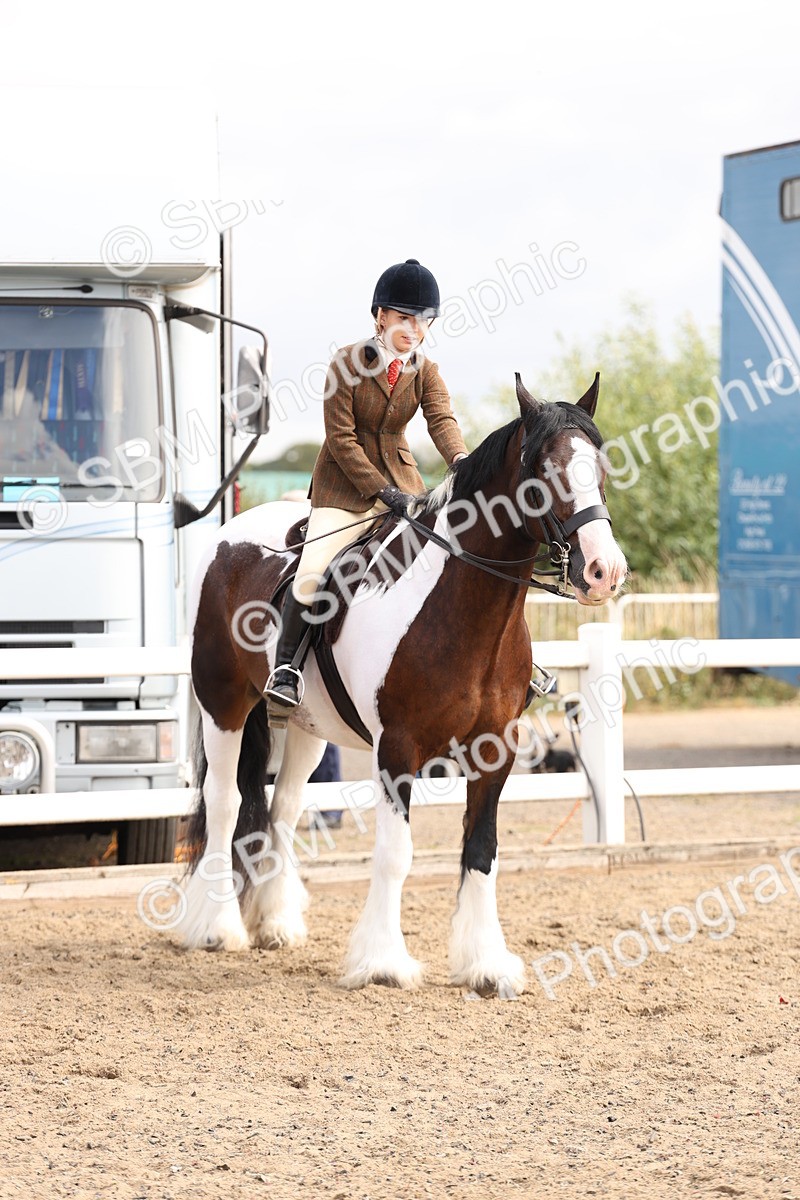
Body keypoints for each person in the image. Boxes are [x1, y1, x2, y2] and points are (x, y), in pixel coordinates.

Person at [265, 258, 468, 708]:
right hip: (344, 488)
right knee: (314, 567)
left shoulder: (426, 370)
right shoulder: (346, 363)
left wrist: (461, 460)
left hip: (404, 483)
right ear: (380, 315)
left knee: (447, 558)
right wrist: (380, 491)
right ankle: (287, 668)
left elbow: (442, 420)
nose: (414, 329)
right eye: (405, 318)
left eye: (424, 320)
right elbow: (341, 439)